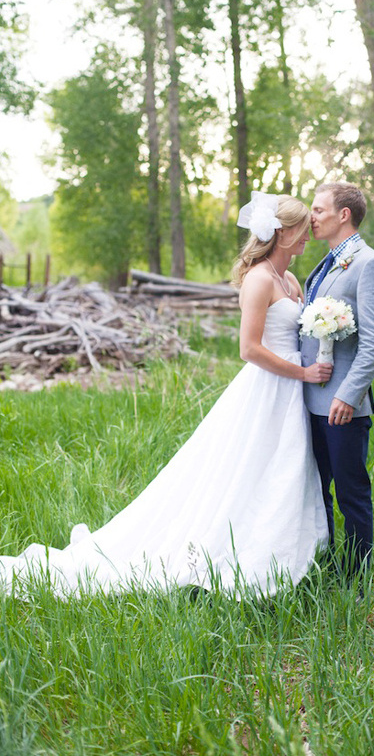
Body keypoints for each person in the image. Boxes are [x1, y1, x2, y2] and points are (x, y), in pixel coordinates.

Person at [0, 193, 330, 598]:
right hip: (268, 386)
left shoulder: (292, 280)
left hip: (292, 391)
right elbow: (248, 349)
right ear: (282, 234)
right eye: (301, 232)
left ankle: (291, 550)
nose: (307, 239)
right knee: (249, 466)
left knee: (281, 467)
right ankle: (237, 552)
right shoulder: (260, 278)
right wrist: (302, 372)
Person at [301, 182, 374, 583]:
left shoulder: (370, 264)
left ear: (344, 215)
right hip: (308, 399)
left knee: (350, 491)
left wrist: (349, 394)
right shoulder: (325, 265)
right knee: (315, 489)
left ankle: (356, 577)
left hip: (342, 406)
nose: (312, 216)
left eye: (319, 209)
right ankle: (324, 562)